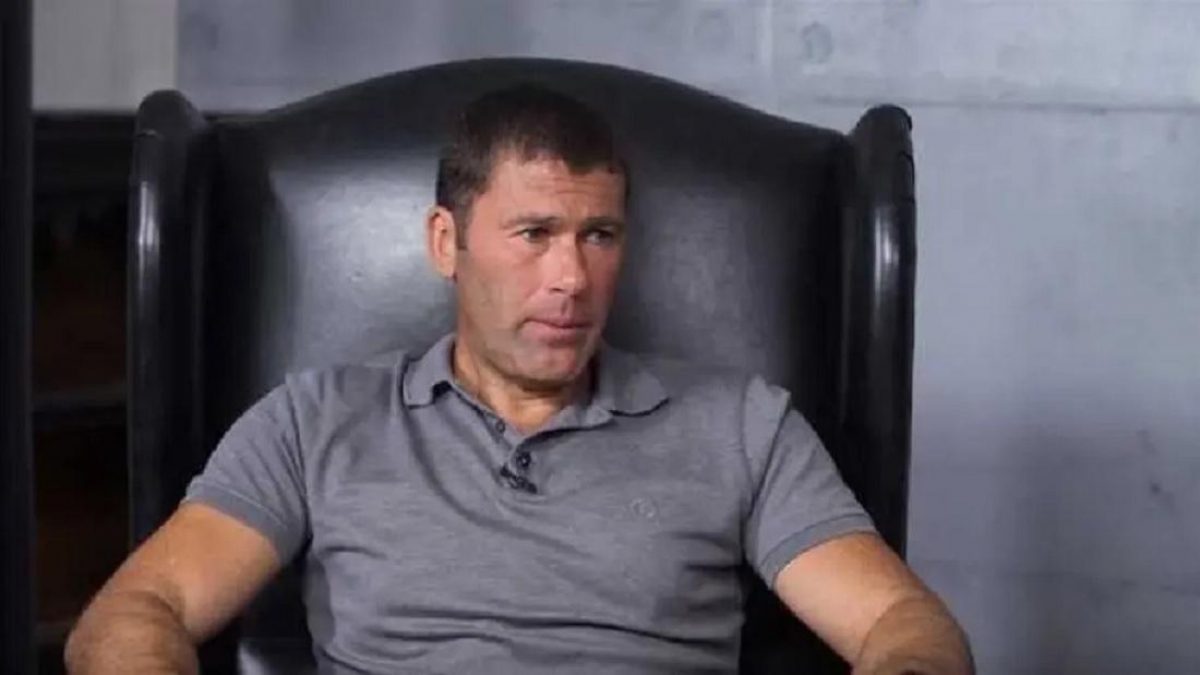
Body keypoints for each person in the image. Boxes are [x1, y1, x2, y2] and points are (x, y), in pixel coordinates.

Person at [66, 85, 972, 675]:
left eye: (599, 236)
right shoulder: (316, 419)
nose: (571, 277)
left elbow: (904, 624)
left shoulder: (740, 425)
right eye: (534, 234)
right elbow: (137, 609)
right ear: (446, 242)